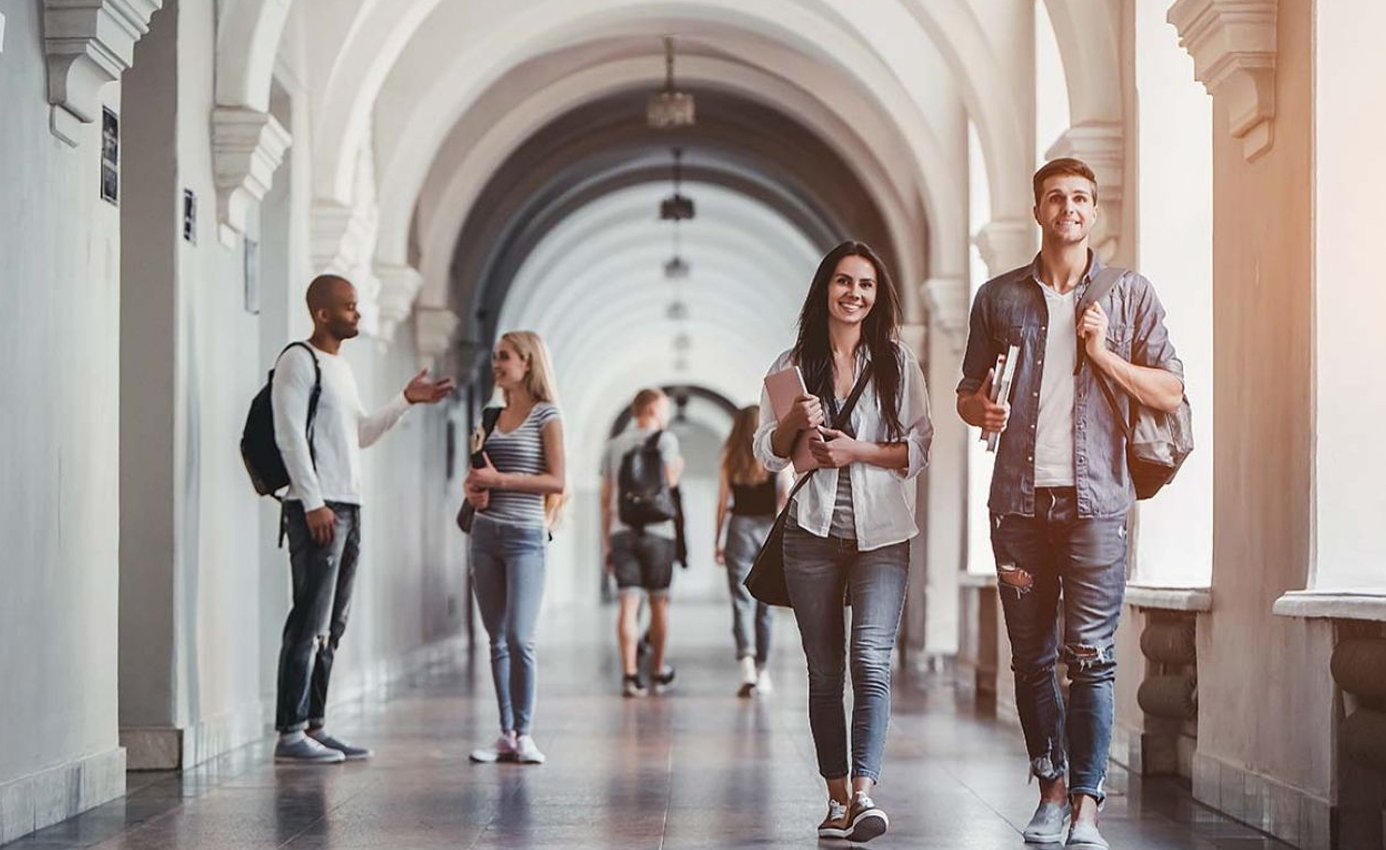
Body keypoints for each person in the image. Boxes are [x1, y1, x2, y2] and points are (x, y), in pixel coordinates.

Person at [956, 158, 1184, 850]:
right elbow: (966, 392)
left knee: (1091, 657)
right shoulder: (998, 299)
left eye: (1082, 197)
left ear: (1094, 211)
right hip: (1018, 508)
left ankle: (1087, 805)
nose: (1070, 208)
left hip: (1096, 505)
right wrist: (981, 411)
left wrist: (1103, 353)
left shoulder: (1129, 295)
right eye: (1057, 197)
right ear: (1039, 210)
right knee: (1031, 657)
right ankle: (1050, 792)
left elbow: (1170, 392)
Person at [753, 240, 932, 843]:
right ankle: (834, 800)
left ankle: (864, 794)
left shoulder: (899, 363)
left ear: (877, 297)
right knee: (825, 671)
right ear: (824, 289)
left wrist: (857, 451)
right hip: (812, 534)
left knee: (871, 661)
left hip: (883, 535)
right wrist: (792, 422)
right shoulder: (792, 363)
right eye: (843, 282)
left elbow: (919, 448)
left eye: (866, 285)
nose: (854, 294)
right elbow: (767, 455)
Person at [271, 274, 454, 764]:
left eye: (358, 305)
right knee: (308, 619)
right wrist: (312, 502)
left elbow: (362, 434)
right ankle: (289, 732)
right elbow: (289, 436)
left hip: (349, 505)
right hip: (318, 507)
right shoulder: (298, 361)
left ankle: (315, 724)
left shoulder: (342, 370)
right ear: (322, 313)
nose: (359, 314)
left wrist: (405, 401)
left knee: (334, 623)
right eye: (350, 307)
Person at [462, 331, 567, 766]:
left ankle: (525, 733)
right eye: (494, 357)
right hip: (484, 535)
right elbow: (474, 478)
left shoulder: (547, 416)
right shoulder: (488, 416)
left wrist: (500, 482)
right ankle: (504, 733)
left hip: (526, 536)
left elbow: (558, 481)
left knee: (520, 637)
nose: (496, 365)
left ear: (527, 363)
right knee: (496, 640)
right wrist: (474, 492)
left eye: (504, 357)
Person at [601, 389, 684, 698]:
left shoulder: (613, 445)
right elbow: (670, 482)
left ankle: (630, 675)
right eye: (664, 409)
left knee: (627, 605)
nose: (667, 415)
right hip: (659, 532)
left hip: (622, 531)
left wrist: (606, 544)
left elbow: (606, 497)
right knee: (659, 603)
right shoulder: (666, 440)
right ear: (651, 409)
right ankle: (659, 671)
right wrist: (679, 467)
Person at [713, 405, 787, 697]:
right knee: (765, 604)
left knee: (741, 601)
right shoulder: (774, 457)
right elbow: (784, 499)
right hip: (768, 530)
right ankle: (763, 670)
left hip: (738, 531)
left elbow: (722, 503)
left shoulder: (729, 457)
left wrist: (716, 542)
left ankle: (746, 665)